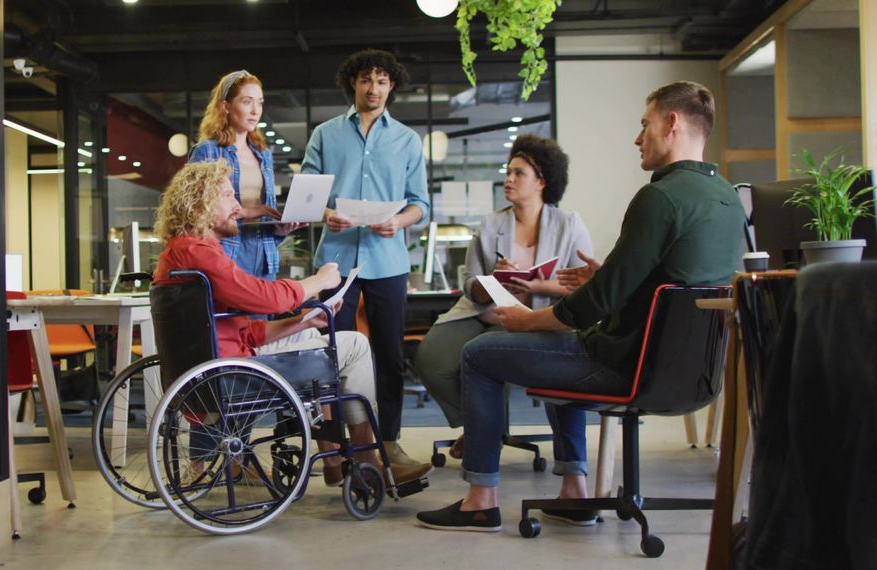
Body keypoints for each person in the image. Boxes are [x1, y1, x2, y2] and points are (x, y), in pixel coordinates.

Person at [416, 81, 745, 532]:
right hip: (695, 376)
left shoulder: (659, 197)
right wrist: (603, 276)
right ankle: (574, 491)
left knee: (480, 353)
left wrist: (530, 321)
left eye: (644, 124)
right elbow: (677, 283)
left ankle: (480, 499)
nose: (637, 138)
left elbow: (593, 306)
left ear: (672, 123)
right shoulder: (728, 199)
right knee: (560, 345)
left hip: (624, 365)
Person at [152, 159, 432, 486]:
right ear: (201, 202)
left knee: (324, 340)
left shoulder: (179, 253)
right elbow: (267, 298)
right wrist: (318, 281)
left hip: (221, 367)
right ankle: (367, 461)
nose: (238, 207)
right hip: (232, 377)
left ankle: (340, 461)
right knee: (354, 346)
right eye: (229, 196)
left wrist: (302, 322)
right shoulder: (199, 253)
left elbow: (246, 332)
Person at [413, 134, 593, 456]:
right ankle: (482, 426)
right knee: (431, 360)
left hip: (526, 320)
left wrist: (536, 286)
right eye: (507, 172)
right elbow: (470, 283)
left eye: (518, 173)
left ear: (541, 181)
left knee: (483, 359)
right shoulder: (491, 223)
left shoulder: (568, 225)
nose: (508, 179)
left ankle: (482, 435)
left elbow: (583, 285)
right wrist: (494, 278)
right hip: (481, 311)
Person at [301, 48, 430, 466]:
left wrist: (400, 222)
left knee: (389, 356)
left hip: (388, 262)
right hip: (335, 262)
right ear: (352, 84)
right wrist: (326, 214)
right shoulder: (326, 134)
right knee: (330, 353)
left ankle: (388, 442)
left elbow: (420, 204)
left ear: (391, 86)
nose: (372, 88)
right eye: (365, 80)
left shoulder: (407, 140)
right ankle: (337, 447)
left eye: (381, 81)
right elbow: (306, 197)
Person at [189, 69, 302, 281]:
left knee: (263, 315)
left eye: (260, 103)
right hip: (227, 254)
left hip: (265, 256)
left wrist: (281, 229)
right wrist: (247, 212)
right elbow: (195, 215)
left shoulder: (263, 154)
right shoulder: (207, 151)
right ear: (226, 106)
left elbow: (264, 218)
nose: (255, 111)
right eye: (247, 101)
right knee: (233, 315)